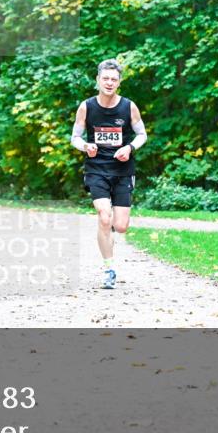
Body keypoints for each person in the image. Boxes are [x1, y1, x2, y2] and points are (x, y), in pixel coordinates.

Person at [70, 58, 147, 289]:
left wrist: (130, 147)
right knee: (104, 216)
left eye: (114, 79)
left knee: (120, 226)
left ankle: (108, 231)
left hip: (123, 170)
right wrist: (85, 146)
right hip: (96, 169)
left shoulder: (128, 106)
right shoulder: (87, 106)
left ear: (119, 82)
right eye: (106, 78)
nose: (109, 82)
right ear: (98, 80)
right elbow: (75, 137)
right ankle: (109, 268)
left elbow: (142, 134)